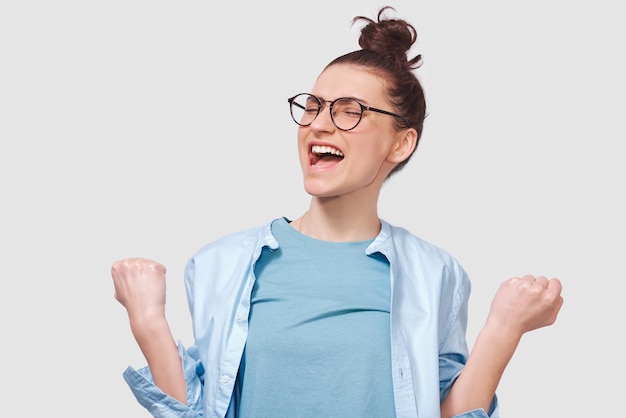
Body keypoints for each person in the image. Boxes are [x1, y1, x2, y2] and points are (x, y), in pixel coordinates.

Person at [111, 6, 563, 418]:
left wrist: (504, 328)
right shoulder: (219, 263)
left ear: (401, 143)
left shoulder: (436, 273)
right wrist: (148, 321)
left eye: (351, 111)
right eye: (313, 106)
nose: (320, 124)